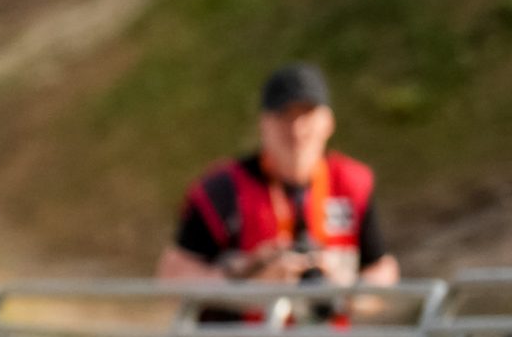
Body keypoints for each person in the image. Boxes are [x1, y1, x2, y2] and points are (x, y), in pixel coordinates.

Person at [160, 62, 399, 289]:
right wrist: (247, 278)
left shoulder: (351, 185)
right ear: (263, 124)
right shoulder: (222, 190)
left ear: (328, 122)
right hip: (245, 329)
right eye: (284, 115)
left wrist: (345, 288)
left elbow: (382, 269)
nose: (296, 129)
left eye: (307, 113)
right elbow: (172, 277)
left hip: (326, 329)